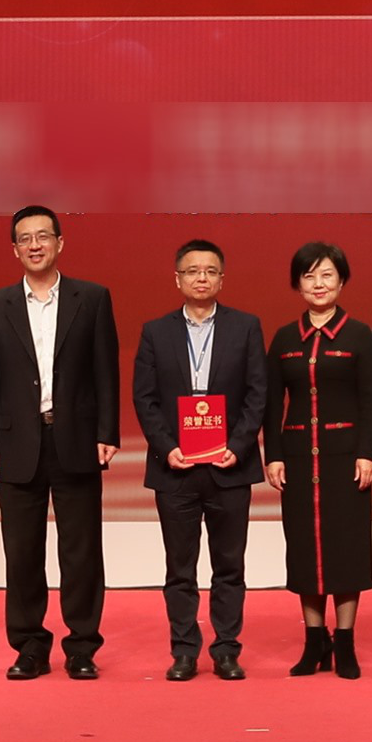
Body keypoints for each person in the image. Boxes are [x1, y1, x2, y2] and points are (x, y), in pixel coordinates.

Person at [0, 205, 121, 680]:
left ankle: (82, 646)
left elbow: (106, 371)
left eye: (43, 236)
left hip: (76, 439)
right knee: (22, 552)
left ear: (60, 242)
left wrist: (107, 432)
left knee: (82, 550)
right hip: (16, 444)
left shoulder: (91, 298)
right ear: (14, 249)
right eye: (25, 238)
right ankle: (30, 646)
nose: (34, 245)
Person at [132, 239, 268, 680]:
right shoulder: (156, 331)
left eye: (210, 271)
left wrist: (239, 445)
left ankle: (226, 649)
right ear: (178, 279)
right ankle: (184, 651)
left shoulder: (245, 327)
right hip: (176, 468)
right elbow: (145, 397)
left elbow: (258, 393)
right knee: (180, 568)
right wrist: (166, 446)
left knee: (230, 565)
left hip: (229, 466)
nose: (201, 278)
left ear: (221, 279)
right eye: (192, 271)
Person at [262, 242, 372, 679]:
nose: (318, 284)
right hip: (297, 461)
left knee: (346, 548)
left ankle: (345, 642)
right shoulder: (284, 338)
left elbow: (370, 401)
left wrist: (367, 453)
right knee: (304, 549)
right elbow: (272, 403)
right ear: (297, 284)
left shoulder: (359, 335)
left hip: (345, 460)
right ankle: (315, 641)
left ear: (341, 281)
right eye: (309, 276)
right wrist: (274, 456)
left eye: (327, 275)